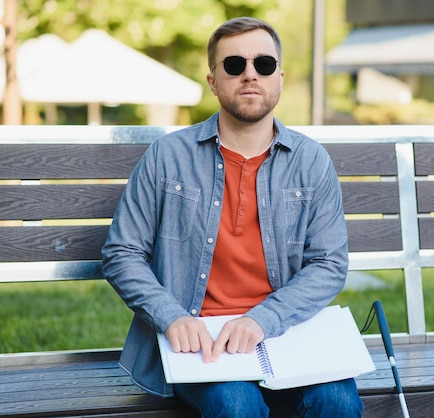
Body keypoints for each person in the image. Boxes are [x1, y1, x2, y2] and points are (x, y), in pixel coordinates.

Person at [102, 16, 363, 417]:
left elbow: (329, 263)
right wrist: (170, 318)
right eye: (234, 65)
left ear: (279, 77)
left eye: (263, 64)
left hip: (287, 333)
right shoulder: (168, 157)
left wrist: (263, 319)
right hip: (200, 344)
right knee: (236, 405)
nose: (250, 76)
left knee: (338, 403)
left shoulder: (311, 161)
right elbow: (122, 253)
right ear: (213, 81)